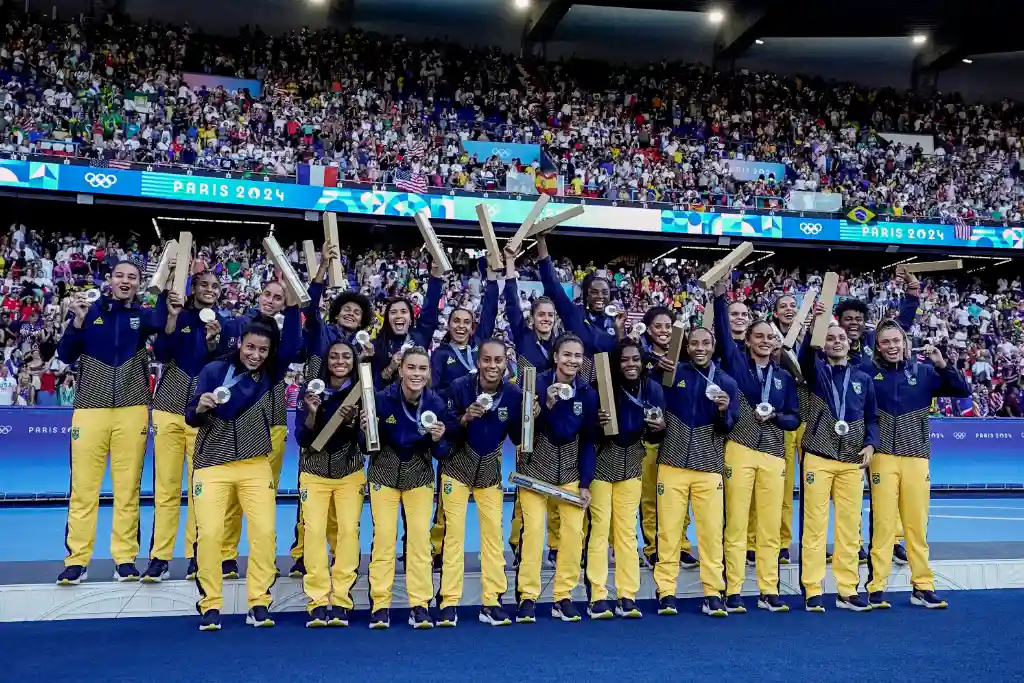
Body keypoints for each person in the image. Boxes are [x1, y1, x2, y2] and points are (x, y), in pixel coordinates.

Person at [56, 261, 167, 585]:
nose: (125, 281)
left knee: (128, 488)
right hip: (90, 408)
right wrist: (76, 322)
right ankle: (77, 561)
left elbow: (161, 320)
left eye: (132, 277)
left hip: (132, 410)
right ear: (110, 280)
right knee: (82, 490)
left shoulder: (144, 318)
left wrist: (166, 278)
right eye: (120, 275)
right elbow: (64, 354)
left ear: (138, 283)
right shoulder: (89, 312)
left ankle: (125, 559)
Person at [186, 312, 299, 631]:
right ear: (240, 345)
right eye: (251, 348)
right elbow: (189, 416)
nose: (256, 355)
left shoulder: (270, 374)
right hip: (212, 464)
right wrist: (201, 407)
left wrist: (294, 304)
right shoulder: (213, 370)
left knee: (264, 533)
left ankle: (259, 602)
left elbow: (290, 344)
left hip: (254, 465)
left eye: (263, 350)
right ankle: (210, 604)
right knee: (208, 534)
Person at [865, 321, 970, 609]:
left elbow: (962, 390)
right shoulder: (868, 373)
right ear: (878, 346)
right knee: (884, 525)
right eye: (885, 342)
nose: (892, 346)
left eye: (896, 340)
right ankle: (877, 587)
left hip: (916, 456)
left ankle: (922, 586)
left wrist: (942, 364)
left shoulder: (924, 373)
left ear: (905, 342)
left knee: (916, 526)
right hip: (883, 457)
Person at [714, 280, 801, 614]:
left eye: (770, 337)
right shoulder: (736, 366)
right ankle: (733, 589)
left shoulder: (784, 378)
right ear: (748, 341)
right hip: (739, 447)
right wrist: (722, 296)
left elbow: (794, 418)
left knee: (767, 525)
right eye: (759, 336)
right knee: (736, 523)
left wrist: (776, 416)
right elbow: (723, 335)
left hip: (774, 454)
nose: (765, 341)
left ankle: (769, 588)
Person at [289, 244, 372, 577]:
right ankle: (301, 553)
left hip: (348, 421)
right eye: (346, 309)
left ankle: (341, 555)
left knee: (346, 489)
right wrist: (322, 269)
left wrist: (370, 356)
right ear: (336, 311)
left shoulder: (363, 346)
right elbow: (310, 306)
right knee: (309, 492)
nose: (351, 313)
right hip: (316, 409)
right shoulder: (321, 334)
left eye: (357, 311)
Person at [146, 271, 227, 582]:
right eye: (204, 284)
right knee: (166, 488)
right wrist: (171, 317)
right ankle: (159, 559)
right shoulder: (178, 313)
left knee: (200, 490)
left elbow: (222, 363)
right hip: (168, 408)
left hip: (203, 414)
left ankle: (197, 556)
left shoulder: (224, 323)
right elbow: (163, 353)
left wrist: (213, 341)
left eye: (215, 285)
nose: (209, 289)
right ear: (192, 288)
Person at [837, 266, 920, 566]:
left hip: (877, 427)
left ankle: (894, 540)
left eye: (859, 319)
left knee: (888, 490)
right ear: (839, 323)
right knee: (852, 490)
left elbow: (902, 325)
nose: (854, 324)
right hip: (845, 429)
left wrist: (912, 293)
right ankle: (855, 542)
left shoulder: (875, 343)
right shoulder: (831, 346)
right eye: (848, 320)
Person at [436, 338, 522, 627]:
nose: (492, 366)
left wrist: (530, 417)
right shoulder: (460, 387)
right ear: (478, 361)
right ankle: (448, 601)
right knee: (454, 537)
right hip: (457, 468)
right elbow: (442, 427)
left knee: (493, 538)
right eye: (487, 360)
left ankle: (492, 601)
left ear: (505, 361)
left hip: (488, 471)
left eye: (498, 360)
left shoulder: (512, 393)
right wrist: (463, 419)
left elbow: (518, 438)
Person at [220, 280, 303, 579]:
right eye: (267, 294)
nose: (271, 300)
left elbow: (294, 347)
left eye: (278, 298)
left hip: (273, 423)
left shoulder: (281, 340)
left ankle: (264, 560)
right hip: (237, 421)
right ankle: (226, 556)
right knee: (232, 495)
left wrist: (295, 308)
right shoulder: (236, 325)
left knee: (265, 498)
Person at [654, 326, 739, 618]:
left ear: (713, 346)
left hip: (709, 468)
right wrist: (655, 366)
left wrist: (723, 412)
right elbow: (649, 394)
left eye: (705, 343)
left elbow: (729, 427)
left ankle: (713, 593)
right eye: (694, 343)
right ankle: (666, 591)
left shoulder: (727, 382)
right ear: (686, 347)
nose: (699, 348)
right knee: (668, 533)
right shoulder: (672, 374)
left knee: (711, 534)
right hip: (672, 464)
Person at [363, 346, 450, 630]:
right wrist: (365, 430)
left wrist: (439, 439)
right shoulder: (381, 399)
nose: (416, 373)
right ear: (401, 370)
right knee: (385, 540)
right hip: (384, 476)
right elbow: (366, 446)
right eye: (411, 368)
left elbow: (442, 453)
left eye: (422, 369)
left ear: (428, 373)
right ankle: (380, 604)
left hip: (419, 478)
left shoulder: (436, 404)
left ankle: (420, 604)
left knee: (419, 543)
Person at [514, 333, 598, 624]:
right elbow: (521, 431)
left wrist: (585, 483)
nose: (572, 361)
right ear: (555, 357)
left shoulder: (587, 392)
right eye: (567, 355)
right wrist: (545, 406)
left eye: (577, 356)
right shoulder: (535, 384)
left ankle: (564, 596)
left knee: (574, 534)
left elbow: (588, 440)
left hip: (570, 474)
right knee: (534, 532)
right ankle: (527, 596)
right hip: (535, 470)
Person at [797, 317, 878, 612]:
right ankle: (813, 589)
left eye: (841, 336)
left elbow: (872, 417)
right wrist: (813, 329)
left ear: (850, 342)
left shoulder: (863, 379)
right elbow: (805, 355)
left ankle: (847, 590)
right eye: (830, 338)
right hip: (819, 456)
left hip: (852, 461)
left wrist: (871, 443)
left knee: (849, 528)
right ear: (824, 344)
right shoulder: (816, 373)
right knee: (815, 527)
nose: (837, 341)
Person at [585, 339, 665, 620]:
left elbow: (656, 434)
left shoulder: (652, 388)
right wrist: (597, 424)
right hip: (602, 463)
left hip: (632, 463)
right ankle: (597, 595)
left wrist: (660, 428)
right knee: (599, 530)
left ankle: (627, 595)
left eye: (635, 359)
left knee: (627, 533)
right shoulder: (601, 389)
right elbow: (588, 432)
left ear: (642, 362)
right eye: (624, 360)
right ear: (615, 364)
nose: (630, 365)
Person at [428, 261, 498, 567]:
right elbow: (433, 392)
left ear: (472, 326)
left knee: (485, 495)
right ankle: (439, 549)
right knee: (447, 495)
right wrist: (460, 399)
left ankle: (490, 551)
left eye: (466, 322)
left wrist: (493, 280)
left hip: (483, 429)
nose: (460, 326)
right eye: (455, 320)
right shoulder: (441, 354)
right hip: (455, 426)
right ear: (449, 324)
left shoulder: (480, 351)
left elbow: (492, 312)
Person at [293, 340, 363, 628]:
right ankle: (318, 600)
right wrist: (311, 412)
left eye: (346, 356)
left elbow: (366, 441)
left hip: (350, 472)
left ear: (354, 361)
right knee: (314, 533)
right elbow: (302, 439)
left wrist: (355, 422)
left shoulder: (363, 391)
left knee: (348, 532)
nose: (340, 361)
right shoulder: (311, 390)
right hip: (314, 472)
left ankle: (342, 599)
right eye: (334, 356)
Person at [503, 246, 562, 565]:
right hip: (529, 418)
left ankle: (554, 543)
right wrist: (511, 265)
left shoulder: (561, 346)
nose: (546, 320)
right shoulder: (524, 339)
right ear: (532, 318)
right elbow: (512, 302)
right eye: (542, 315)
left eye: (551, 316)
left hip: (557, 418)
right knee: (527, 480)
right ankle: (519, 541)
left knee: (555, 480)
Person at [638, 306, 697, 568]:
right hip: (650, 436)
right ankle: (653, 547)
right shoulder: (640, 359)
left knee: (680, 496)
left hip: (679, 438)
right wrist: (652, 371)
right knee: (649, 496)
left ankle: (681, 544)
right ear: (648, 329)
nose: (663, 331)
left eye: (667, 326)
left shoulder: (685, 359)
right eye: (657, 326)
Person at [370, 262, 443, 387]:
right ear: (387, 319)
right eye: (393, 312)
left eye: (403, 311)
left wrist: (435, 276)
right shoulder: (377, 345)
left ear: (410, 318)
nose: (399, 315)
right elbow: (371, 386)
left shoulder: (420, 335)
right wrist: (390, 368)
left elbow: (430, 308)